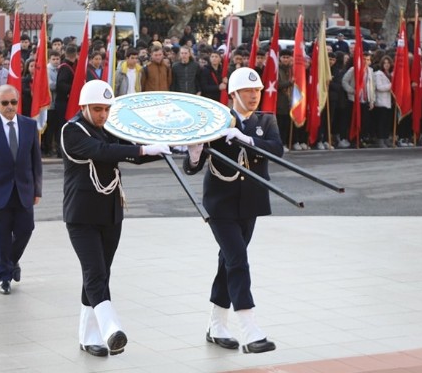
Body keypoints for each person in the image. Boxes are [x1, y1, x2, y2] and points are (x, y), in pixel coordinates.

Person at [61, 80, 170, 357]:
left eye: (107, 110)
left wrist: (165, 148)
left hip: (110, 213)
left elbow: (130, 154)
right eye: (97, 109)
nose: (102, 115)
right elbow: (102, 153)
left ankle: (88, 337)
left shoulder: (107, 129)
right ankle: (111, 330)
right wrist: (143, 150)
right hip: (82, 216)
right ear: (84, 106)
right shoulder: (71, 131)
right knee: (95, 272)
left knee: (100, 274)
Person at [184, 67, 282, 354]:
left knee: (227, 261)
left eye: (257, 91)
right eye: (248, 91)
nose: (254, 96)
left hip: (250, 203)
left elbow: (277, 149)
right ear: (234, 95)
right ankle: (250, 330)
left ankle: (216, 325)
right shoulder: (216, 121)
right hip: (220, 204)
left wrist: (247, 139)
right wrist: (195, 150)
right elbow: (192, 168)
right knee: (238, 259)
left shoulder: (266, 120)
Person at [0, 84, 43, 295]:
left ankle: (11, 262)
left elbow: (35, 161)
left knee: (26, 229)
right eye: (5, 103)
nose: (10, 106)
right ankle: (3, 277)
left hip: (24, 190)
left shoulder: (30, 126)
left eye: (13, 102)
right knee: (0, 236)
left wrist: (37, 190)